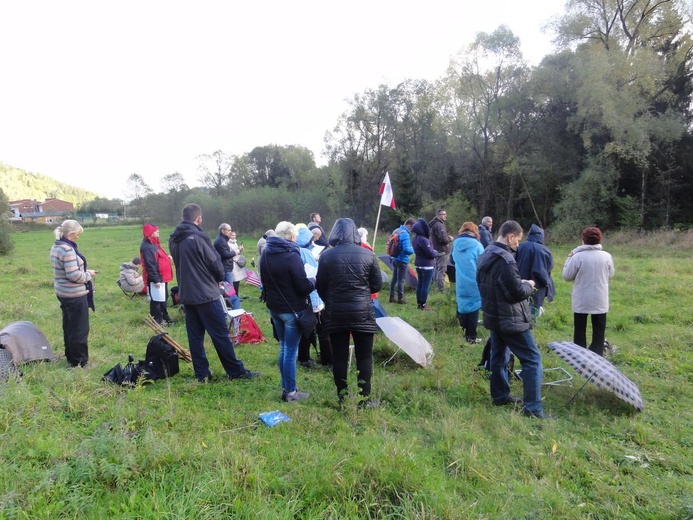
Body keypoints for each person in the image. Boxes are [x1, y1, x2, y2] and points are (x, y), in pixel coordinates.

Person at [169, 203, 259, 383]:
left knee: (195, 337)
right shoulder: (199, 237)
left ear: (182, 217)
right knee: (220, 334)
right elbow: (215, 262)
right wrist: (219, 278)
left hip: (187, 294)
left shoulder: (174, 239)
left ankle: (201, 374)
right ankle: (235, 371)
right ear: (199, 218)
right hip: (206, 293)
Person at [476, 220, 548, 419]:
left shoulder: (486, 253)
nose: (518, 244)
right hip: (510, 318)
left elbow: (493, 283)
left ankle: (500, 396)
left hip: (493, 314)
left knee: (498, 356)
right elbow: (516, 293)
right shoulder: (506, 259)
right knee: (532, 359)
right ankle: (533, 409)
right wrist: (529, 285)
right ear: (510, 236)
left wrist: (518, 282)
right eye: (518, 239)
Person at [316, 218, 382, 407]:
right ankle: (365, 398)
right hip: (362, 310)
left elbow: (320, 285)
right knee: (364, 356)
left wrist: (331, 299)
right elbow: (377, 284)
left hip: (336, 311)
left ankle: (343, 397)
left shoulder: (327, 256)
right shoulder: (367, 254)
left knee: (339, 357)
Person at [260, 221, 315, 402]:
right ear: (292, 237)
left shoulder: (266, 252)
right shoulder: (291, 255)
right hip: (292, 310)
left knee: (284, 347)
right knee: (290, 351)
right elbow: (302, 286)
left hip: (275, 308)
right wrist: (314, 280)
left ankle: (287, 388)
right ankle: (291, 392)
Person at [50, 219, 97, 367]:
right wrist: (88, 275)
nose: (78, 237)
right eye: (77, 234)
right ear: (70, 234)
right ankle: (80, 363)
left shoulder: (56, 246)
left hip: (63, 293)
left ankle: (71, 358)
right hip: (74, 295)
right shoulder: (68, 250)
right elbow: (74, 276)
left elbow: (68, 271)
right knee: (79, 329)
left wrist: (84, 272)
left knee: (69, 327)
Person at [562, 227, 615, 356]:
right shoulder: (607, 256)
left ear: (583, 240)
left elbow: (567, 276)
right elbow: (611, 274)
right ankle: (597, 355)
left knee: (580, 330)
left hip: (582, 299)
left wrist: (569, 257)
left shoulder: (577, 257)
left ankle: (580, 356)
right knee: (599, 330)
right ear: (599, 240)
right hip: (600, 299)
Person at [295, 225, 327, 369]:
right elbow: (314, 275)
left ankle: (303, 357)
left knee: (304, 329)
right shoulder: (305, 253)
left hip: (299, 298)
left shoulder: (292, 251)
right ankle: (326, 358)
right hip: (312, 296)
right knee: (321, 329)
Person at [452, 222, 484, 343]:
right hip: (474, 280)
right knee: (474, 306)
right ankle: (471, 337)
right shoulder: (477, 245)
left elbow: (451, 260)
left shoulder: (455, 244)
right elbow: (483, 263)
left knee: (463, 304)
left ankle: (464, 332)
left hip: (460, 278)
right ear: (475, 231)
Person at [516, 224, 556, 321]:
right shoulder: (545, 250)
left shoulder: (519, 247)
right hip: (538, 283)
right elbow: (549, 266)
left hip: (521, 281)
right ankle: (532, 324)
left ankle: (520, 322)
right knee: (535, 306)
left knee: (520, 305)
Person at [140, 223, 174, 326]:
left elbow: (158, 258)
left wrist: (167, 257)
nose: (158, 231)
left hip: (162, 277)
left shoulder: (154, 244)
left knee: (164, 298)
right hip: (156, 278)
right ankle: (157, 321)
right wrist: (155, 280)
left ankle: (165, 317)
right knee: (156, 300)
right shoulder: (147, 247)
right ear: (150, 233)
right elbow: (150, 265)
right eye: (155, 230)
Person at [412, 218, 440, 310]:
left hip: (418, 264)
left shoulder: (415, 239)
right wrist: (436, 252)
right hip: (427, 265)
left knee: (420, 284)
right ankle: (423, 305)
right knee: (425, 285)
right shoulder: (423, 240)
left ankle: (419, 304)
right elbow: (430, 253)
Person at [388, 218, 415, 304]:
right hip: (402, 259)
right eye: (412, 227)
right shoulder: (405, 234)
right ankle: (401, 298)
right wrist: (413, 249)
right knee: (401, 280)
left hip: (394, 258)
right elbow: (407, 250)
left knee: (394, 278)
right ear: (409, 226)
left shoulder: (396, 230)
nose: (413, 230)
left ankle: (392, 296)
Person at [428, 209, 454, 292]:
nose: (445, 215)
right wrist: (450, 239)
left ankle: (436, 287)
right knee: (441, 270)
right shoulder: (439, 225)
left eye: (445, 214)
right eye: (443, 214)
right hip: (441, 250)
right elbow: (443, 239)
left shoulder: (433, 224)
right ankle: (441, 290)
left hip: (435, 250)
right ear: (438, 215)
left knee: (437, 269)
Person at [227, 230, 246, 298]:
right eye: (232, 235)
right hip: (233, 264)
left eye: (235, 235)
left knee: (237, 281)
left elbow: (237, 252)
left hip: (237, 264)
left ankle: (237, 296)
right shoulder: (228, 243)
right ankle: (234, 297)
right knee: (234, 281)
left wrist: (241, 249)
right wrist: (238, 249)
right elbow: (231, 254)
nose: (233, 237)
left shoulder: (235, 242)